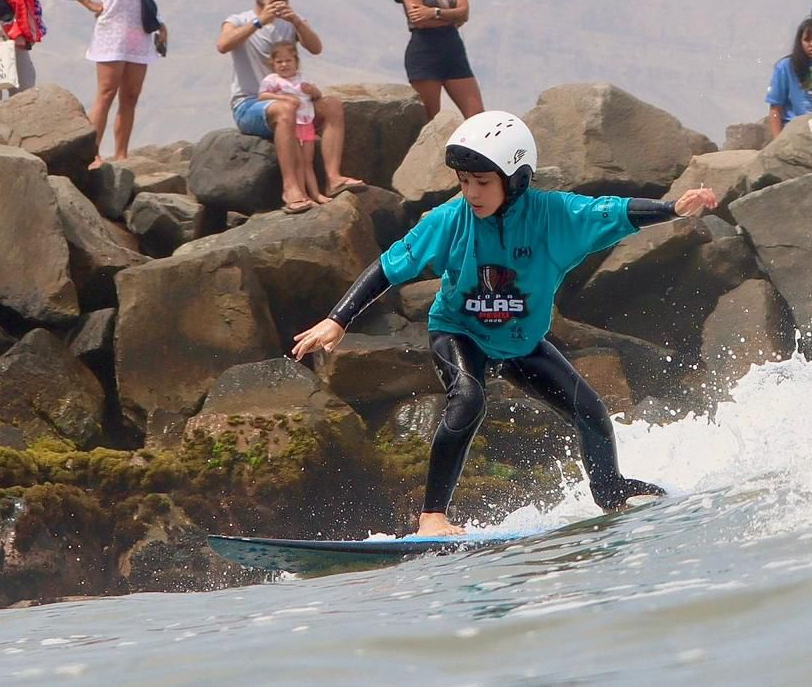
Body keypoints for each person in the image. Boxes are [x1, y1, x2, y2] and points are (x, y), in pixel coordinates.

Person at [291, 110, 719, 536]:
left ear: (515, 180)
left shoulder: (553, 216)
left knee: (591, 413)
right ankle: (432, 518)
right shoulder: (449, 220)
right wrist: (337, 319)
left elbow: (611, 212)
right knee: (468, 399)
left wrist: (673, 209)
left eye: (482, 182)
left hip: (521, 341)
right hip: (460, 331)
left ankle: (610, 492)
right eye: (463, 180)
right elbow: (389, 267)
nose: (471, 192)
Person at [217, 0, 364, 214]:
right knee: (284, 111)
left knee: (332, 105)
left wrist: (295, 19)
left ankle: (333, 178)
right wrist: (259, 22)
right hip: (252, 104)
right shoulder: (239, 19)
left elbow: (316, 47)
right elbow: (223, 44)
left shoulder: (288, 22)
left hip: (296, 103)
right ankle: (291, 188)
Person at [57, 0, 168, 168]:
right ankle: (93, 153)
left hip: (139, 32)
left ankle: (121, 154)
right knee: (106, 92)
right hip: (112, 30)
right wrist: (91, 4)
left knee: (130, 96)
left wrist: (160, 23)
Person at [394, 0, 485, 120]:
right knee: (430, 119)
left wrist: (434, 12)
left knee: (477, 115)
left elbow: (464, 12)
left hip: (453, 50)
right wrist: (450, 16)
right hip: (425, 52)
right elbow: (418, 19)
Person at [259, 41, 326, 206]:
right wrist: (284, 98)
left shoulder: (302, 79)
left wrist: (313, 92)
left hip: (306, 124)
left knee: (307, 162)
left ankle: (316, 194)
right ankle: (303, 195)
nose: (284, 65)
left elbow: (317, 96)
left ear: (296, 61)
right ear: (273, 64)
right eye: (279, 62)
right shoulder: (272, 80)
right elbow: (262, 96)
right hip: (291, 126)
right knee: (296, 161)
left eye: (288, 60)